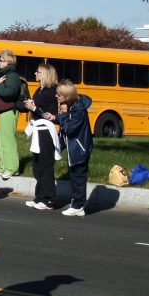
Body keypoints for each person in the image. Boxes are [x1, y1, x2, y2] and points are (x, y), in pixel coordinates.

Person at [23, 64, 60, 210]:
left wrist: (34, 108)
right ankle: (40, 196)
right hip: (37, 129)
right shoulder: (39, 90)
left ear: (45, 74)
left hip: (46, 130)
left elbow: (49, 114)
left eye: (38, 71)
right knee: (37, 164)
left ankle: (49, 199)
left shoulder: (52, 92)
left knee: (45, 164)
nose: (35, 73)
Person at [53, 80, 93, 216]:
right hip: (76, 146)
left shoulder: (78, 109)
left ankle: (78, 205)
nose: (56, 97)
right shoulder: (73, 106)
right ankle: (77, 202)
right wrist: (56, 118)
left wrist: (63, 114)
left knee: (78, 176)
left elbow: (70, 128)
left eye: (59, 95)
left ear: (67, 95)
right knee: (75, 175)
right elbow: (67, 121)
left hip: (80, 147)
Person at [0, 49, 26, 178]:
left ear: (7, 61)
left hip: (9, 111)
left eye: (1, 60)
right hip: (3, 111)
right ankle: (4, 166)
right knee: (2, 140)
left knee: (8, 140)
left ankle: (12, 168)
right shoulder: (5, 74)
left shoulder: (12, 76)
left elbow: (8, 93)